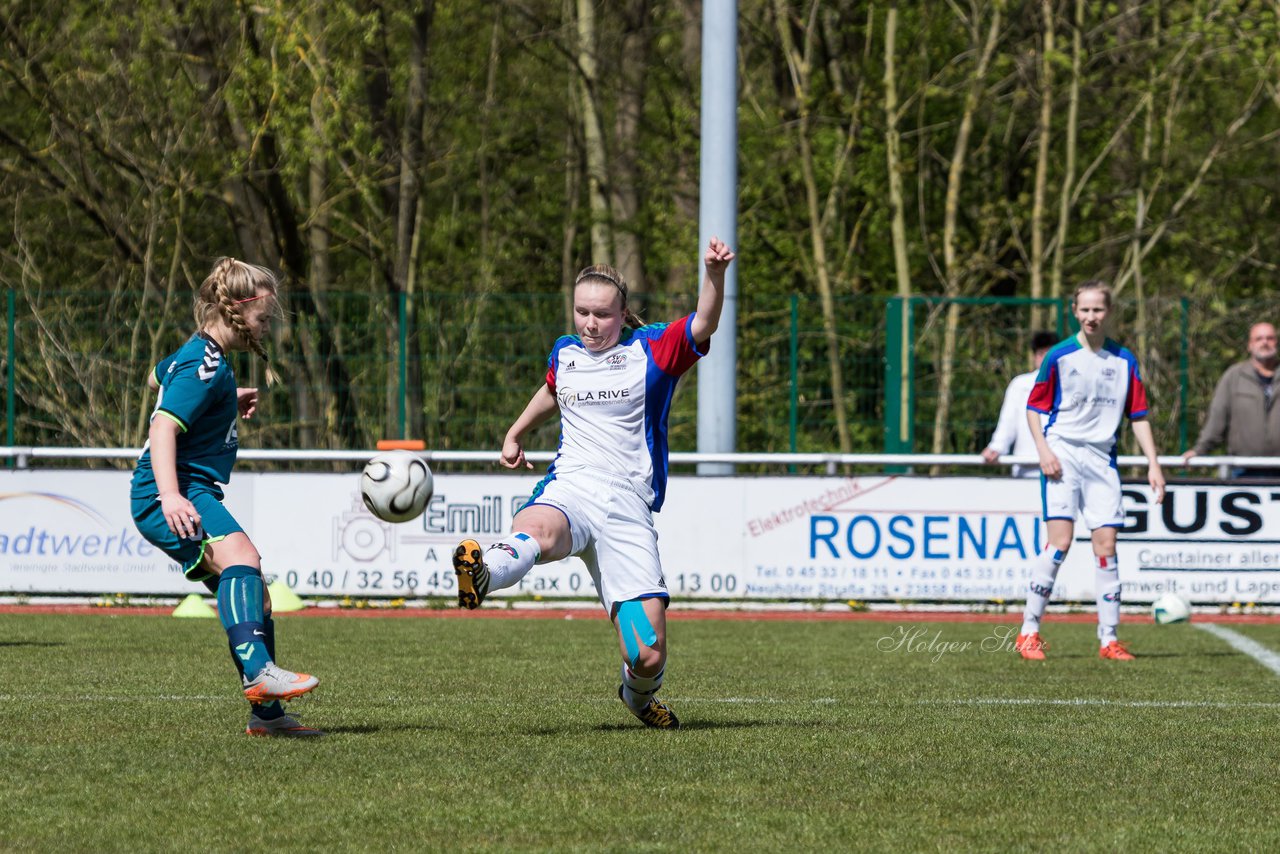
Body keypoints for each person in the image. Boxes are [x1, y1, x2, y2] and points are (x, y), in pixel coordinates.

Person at [451, 237, 736, 730]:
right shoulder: (566, 353)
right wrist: (517, 431)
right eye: (581, 312)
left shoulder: (653, 350)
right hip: (571, 488)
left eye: (602, 314)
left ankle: (637, 695)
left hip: (628, 506)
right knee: (536, 532)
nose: (589, 323)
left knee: (647, 654)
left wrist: (714, 274)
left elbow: (705, 323)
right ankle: (482, 572)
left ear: (623, 313)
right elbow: (552, 390)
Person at [130, 257, 322, 737]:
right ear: (237, 309)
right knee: (244, 556)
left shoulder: (201, 358)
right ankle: (260, 675)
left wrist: (222, 400)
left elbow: (157, 378)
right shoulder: (206, 362)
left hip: (184, 486)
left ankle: (268, 718)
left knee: (253, 591)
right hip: (169, 491)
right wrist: (172, 496)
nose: (265, 327)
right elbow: (162, 425)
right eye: (262, 317)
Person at [1014, 280, 1166, 662]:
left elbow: (1139, 416)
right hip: (1063, 457)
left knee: (1107, 547)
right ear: (1074, 311)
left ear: (1109, 312)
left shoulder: (1124, 361)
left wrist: (1153, 464)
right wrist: (1044, 450)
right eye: (1084, 310)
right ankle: (1029, 631)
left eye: (1098, 309)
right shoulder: (1060, 356)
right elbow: (1034, 409)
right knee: (1059, 543)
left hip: (1103, 460)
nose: (1091, 316)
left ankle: (1108, 639)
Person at [1181, 322, 1280, 478]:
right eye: (1259, 338)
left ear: (1276, 342)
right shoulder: (1234, 376)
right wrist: (1200, 450)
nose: (1265, 342)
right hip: (1243, 470)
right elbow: (1217, 418)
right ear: (1250, 344)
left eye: (1270, 338)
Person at [982, 331, 1058, 477]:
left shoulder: (1069, 385)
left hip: (1061, 467)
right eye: (1042, 354)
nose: (1046, 359)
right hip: (1026, 467)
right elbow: (1008, 422)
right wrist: (996, 447)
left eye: (1050, 354)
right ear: (1035, 357)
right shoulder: (1021, 385)